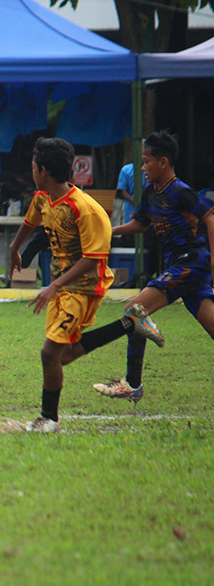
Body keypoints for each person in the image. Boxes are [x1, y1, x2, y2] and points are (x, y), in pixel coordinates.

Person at [6, 137, 163, 432]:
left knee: (49, 353)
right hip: (64, 286)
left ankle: (48, 419)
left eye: (32, 165)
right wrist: (15, 247)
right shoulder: (43, 197)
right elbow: (31, 220)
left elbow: (93, 259)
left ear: (42, 170)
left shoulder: (85, 209)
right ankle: (130, 324)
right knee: (62, 356)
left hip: (84, 287)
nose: (31, 170)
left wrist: (54, 286)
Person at [93, 130, 214, 402]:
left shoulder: (180, 191)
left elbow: (210, 215)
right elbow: (141, 223)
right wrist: (109, 232)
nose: (143, 167)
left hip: (192, 262)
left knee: (134, 310)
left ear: (163, 161)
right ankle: (133, 383)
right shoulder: (150, 193)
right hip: (180, 266)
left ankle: (132, 383)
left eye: (146, 161)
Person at [114, 158, 137, 225]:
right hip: (130, 209)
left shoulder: (152, 169)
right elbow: (122, 189)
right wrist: (132, 200)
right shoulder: (126, 170)